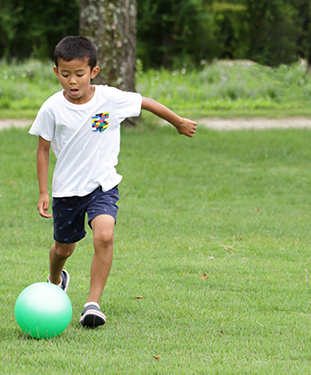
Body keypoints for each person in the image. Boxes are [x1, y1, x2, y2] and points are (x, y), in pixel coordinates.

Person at [29, 36, 197, 328]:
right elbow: (42, 150)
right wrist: (44, 191)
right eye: (65, 75)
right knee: (63, 249)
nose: (72, 81)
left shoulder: (109, 98)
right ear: (56, 72)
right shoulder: (52, 108)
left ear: (93, 72)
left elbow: (145, 102)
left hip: (102, 185)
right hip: (67, 190)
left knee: (104, 235)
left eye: (79, 75)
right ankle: (55, 278)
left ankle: (92, 304)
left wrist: (178, 121)